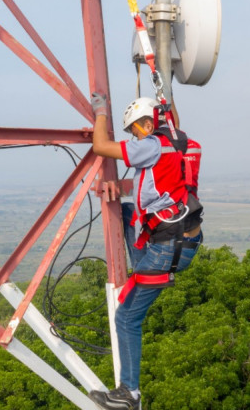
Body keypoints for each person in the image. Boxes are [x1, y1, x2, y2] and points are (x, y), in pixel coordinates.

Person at [88, 92, 203, 410]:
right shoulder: (182, 142)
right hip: (183, 241)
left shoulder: (151, 144)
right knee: (127, 212)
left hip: (165, 250)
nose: (135, 137)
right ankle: (138, 273)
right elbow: (173, 122)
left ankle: (129, 393)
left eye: (135, 129)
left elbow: (101, 147)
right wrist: (166, 95)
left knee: (126, 317)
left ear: (149, 123)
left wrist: (100, 114)